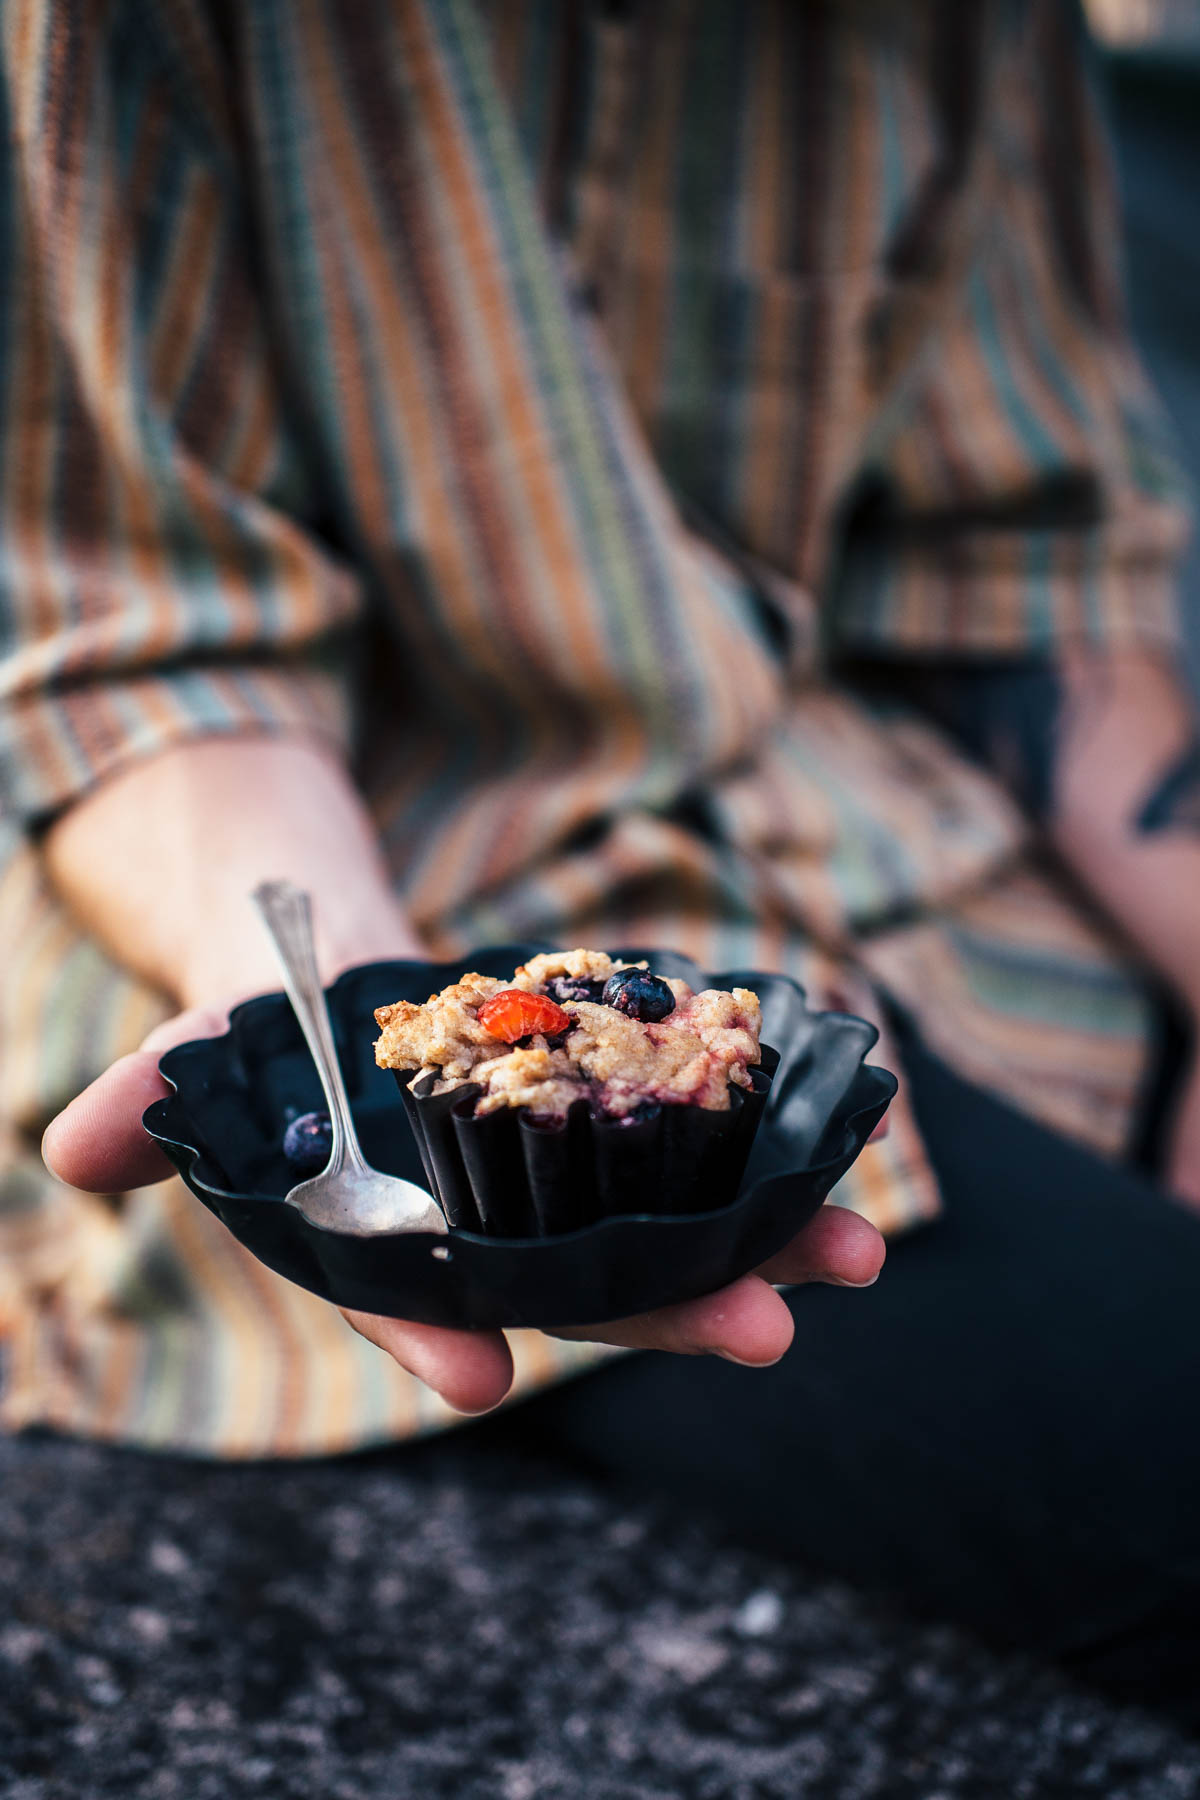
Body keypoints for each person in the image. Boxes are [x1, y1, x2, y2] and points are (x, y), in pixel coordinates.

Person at [3, 0, 1200, 1711]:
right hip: (392, 869)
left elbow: (1017, 585)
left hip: (909, 864)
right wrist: (317, 992)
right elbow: (137, 649)